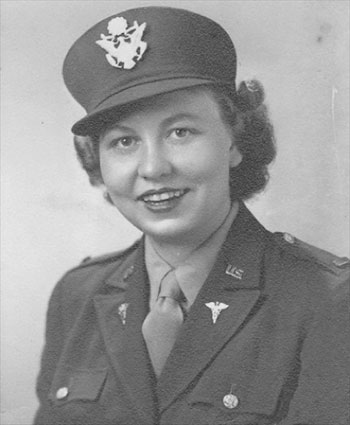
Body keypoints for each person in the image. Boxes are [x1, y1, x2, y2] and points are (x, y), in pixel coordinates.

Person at [34, 6, 349, 425]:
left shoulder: (329, 299)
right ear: (99, 163)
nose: (153, 168)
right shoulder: (76, 297)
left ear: (234, 143)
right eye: (124, 142)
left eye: (180, 132)